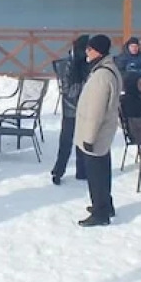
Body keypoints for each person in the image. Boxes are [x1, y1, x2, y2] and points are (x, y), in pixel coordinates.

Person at [75, 34, 122, 227]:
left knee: (96, 174)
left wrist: (89, 137)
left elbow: (96, 110)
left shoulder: (102, 75)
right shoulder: (108, 69)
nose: (87, 51)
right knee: (102, 169)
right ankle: (106, 204)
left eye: (90, 48)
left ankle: (100, 211)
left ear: (98, 51)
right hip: (104, 133)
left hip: (96, 134)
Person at [49, 34, 90, 185]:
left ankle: (82, 171)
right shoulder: (69, 64)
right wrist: (86, 85)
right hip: (71, 108)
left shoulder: (84, 62)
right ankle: (58, 172)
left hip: (83, 108)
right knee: (67, 141)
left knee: (82, 140)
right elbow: (69, 90)